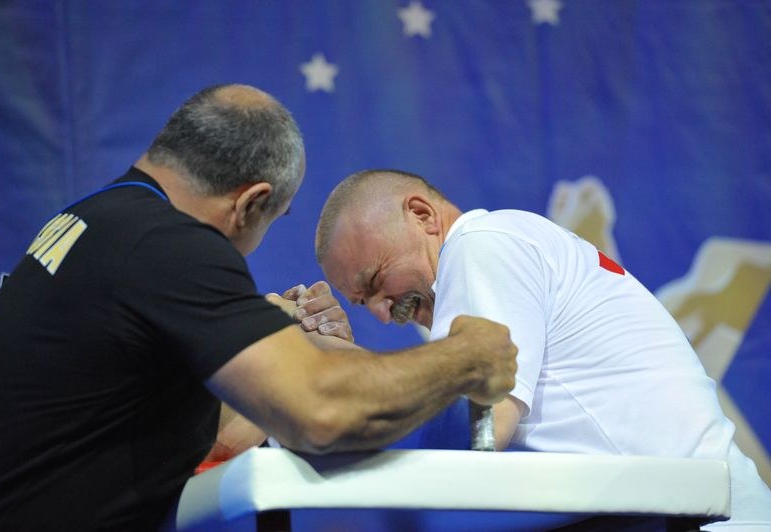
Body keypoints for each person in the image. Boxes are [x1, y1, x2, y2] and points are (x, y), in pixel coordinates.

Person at [0, 87, 518, 531]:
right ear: (252, 202)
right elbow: (322, 415)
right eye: (271, 221)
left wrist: (295, 355)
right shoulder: (168, 245)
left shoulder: (99, 218)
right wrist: (465, 356)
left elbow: (209, 431)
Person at [313, 168, 771, 530]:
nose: (381, 313)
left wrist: (336, 372)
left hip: (696, 521)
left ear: (423, 215)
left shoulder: (479, 245)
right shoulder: (512, 241)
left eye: (375, 282)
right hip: (690, 512)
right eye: (362, 303)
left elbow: (478, 436)